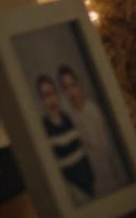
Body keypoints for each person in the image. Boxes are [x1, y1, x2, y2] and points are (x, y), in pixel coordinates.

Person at [58, 66, 129, 197]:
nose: (71, 92)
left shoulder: (93, 111)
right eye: (65, 88)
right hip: (91, 186)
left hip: (109, 178)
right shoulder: (68, 119)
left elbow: (107, 148)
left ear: (78, 85)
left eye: (72, 85)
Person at [35, 74, 94, 205]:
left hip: (89, 184)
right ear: (41, 100)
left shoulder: (68, 118)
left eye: (52, 93)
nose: (51, 99)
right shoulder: (44, 129)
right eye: (46, 95)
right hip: (74, 192)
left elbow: (83, 149)